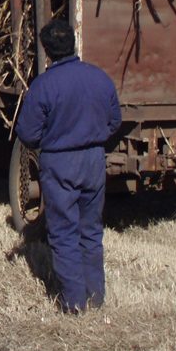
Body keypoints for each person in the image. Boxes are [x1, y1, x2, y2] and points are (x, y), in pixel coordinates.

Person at [16, 18, 121, 313]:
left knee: (63, 232)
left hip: (60, 162)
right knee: (91, 230)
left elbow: (27, 133)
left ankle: (74, 304)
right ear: (74, 43)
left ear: (47, 51)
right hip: (94, 161)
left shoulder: (44, 85)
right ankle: (95, 298)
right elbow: (115, 121)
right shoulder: (100, 78)